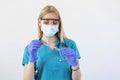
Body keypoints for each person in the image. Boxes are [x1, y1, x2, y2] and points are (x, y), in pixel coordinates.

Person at [22, 5, 81, 80]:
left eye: (54, 22)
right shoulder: (31, 48)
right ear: (39, 22)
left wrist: (75, 65)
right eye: (46, 22)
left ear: (59, 24)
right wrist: (31, 60)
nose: (50, 26)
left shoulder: (70, 44)